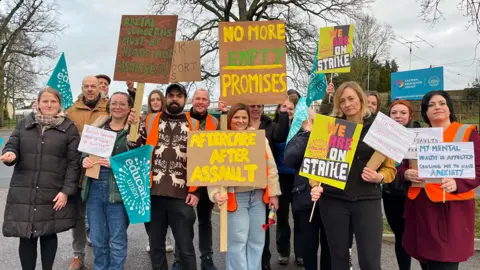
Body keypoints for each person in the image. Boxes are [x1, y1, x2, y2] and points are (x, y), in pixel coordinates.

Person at [310, 81, 396, 270]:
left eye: (351, 98)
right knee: (339, 260)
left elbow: (390, 169)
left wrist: (379, 177)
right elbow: (316, 165)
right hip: (333, 200)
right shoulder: (330, 127)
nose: (347, 104)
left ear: (361, 99)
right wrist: (314, 185)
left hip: (367, 199)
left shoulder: (380, 127)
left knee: (370, 262)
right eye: (342, 101)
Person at [1, 87, 80, 270]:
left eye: (53, 101)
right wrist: (10, 154)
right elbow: (12, 144)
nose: (49, 105)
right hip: (24, 189)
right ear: (38, 103)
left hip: (52, 191)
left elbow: (73, 163)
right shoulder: (25, 123)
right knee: (26, 235)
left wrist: (66, 191)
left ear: (59, 103)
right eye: (45, 101)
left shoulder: (69, 128)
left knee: (48, 233)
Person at [402, 90, 480, 270]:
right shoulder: (418, 136)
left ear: (449, 108)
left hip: (450, 211)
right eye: (431, 105)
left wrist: (458, 183)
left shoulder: (467, 132)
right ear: (425, 112)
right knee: (426, 262)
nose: (437, 107)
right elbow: (404, 167)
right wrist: (406, 174)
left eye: (442, 103)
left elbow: (478, 169)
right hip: (421, 210)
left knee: (445, 262)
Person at [128, 83, 201, 270]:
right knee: (156, 247)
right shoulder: (150, 120)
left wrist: (197, 192)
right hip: (154, 195)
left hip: (182, 197)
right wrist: (132, 128)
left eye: (179, 96)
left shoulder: (194, 124)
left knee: (185, 248)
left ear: (185, 100)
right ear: (165, 99)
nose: (175, 99)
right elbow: (134, 149)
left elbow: (202, 161)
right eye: (171, 95)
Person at [208, 103, 281, 270]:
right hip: (235, 197)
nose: (240, 121)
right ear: (230, 118)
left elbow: (270, 167)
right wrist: (215, 194)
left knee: (257, 241)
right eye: (236, 117)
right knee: (237, 242)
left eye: (244, 118)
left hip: (257, 197)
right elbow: (211, 170)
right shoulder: (220, 139)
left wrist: (274, 194)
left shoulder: (258, 138)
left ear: (248, 120)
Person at [80, 92, 132, 269]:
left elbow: (139, 161)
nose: (117, 107)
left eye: (122, 104)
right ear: (109, 105)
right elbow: (84, 153)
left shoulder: (133, 132)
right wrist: (84, 160)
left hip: (118, 189)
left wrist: (115, 163)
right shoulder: (98, 126)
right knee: (97, 238)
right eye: (114, 103)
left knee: (117, 239)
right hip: (94, 187)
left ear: (129, 108)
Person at [170, 88, 219, 270]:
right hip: (186, 179)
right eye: (197, 98)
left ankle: (207, 257)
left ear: (208, 102)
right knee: (184, 221)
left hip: (208, 179)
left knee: (205, 221)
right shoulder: (182, 119)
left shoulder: (215, 121)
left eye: (204, 99)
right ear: (192, 100)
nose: (200, 102)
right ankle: (179, 257)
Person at [66, 75, 109, 270]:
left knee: (103, 216)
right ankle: (78, 256)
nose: (90, 89)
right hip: (78, 171)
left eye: (93, 86)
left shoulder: (109, 108)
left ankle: (106, 254)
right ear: (82, 88)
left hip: (102, 172)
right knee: (79, 217)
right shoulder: (71, 112)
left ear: (99, 88)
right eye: (87, 86)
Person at [285, 109, 332, 270]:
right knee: (309, 245)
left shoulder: (333, 138)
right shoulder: (298, 138)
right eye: (310, 120)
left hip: (330, 198)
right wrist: (308, 135)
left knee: (329, 245)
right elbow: (289, 159)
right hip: (305, 198)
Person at [247, 101, 289, 270]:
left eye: (259, 106)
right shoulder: (239, 123)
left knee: (262, 225)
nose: (256, 108)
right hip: (244, 182)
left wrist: (284, 113)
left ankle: (264, 262)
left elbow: (281, 135)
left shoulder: (270, 125)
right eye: (253, 105)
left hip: (264, 182)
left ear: (263, 108)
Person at [382, 100, 420, 270]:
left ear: (410, 115)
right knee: (401, 237)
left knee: (421, 237)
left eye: (403, 113)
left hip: (418, 194)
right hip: (393, 194)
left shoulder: (423, 135)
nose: (398, 116)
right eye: (394, 113)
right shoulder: (382, 136)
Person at [271, 95, 303, 266]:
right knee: (282, 217)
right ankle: (283, 251)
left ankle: (300, 253)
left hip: (299, 178)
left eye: (292, 109)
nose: (289, 112)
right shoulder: (275, 127)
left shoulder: (303, 129)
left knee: (300, 217)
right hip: (281, 178)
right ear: (279, 109)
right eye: (286, 108)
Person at [141, 89, 173, 254]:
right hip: (148, 168)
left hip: (166, 168)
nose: (155, 102)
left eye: (157, 99)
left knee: (164, 207)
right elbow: (138, 141)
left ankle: (165, 237)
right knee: (150, 207)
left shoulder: (171, 119)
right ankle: (152, 237)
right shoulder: (144, 120)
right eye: (152, 99)